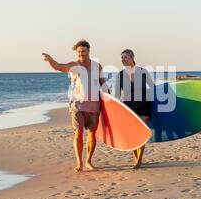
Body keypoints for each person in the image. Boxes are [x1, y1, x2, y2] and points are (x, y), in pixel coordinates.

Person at [42, 40, 108, 172]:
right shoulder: (74, 65)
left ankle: (89, 161)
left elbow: (103, 84)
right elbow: (58, 66)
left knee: (92, 135)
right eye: (78, 52)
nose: (81, 54)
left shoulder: (98, 66)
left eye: (83, 51)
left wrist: (110, 100)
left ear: (89, 51)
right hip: (77, 106)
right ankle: (79, 163)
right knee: (78, 133)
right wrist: (50, 60)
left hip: (94, 106)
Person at [115, 49, 154, 169]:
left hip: (144, 106)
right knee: (133, 134)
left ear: (132, 58)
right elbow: (117, 95)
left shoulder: (143, 72)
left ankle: (139, 160)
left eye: (125, 57)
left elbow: (153, 88)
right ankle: (135, 158)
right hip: (129, 108)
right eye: (122, 57)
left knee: (140, 131)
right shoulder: (120, 75)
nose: (123, 59)